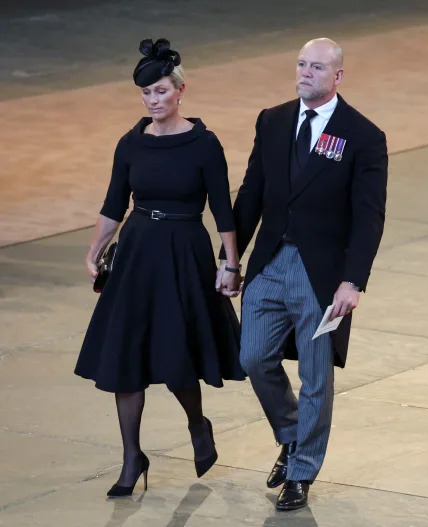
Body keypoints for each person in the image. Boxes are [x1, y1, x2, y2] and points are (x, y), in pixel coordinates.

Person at [218, 37, 387, 511]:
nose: (305, 73)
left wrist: (352, 281)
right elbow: (251, 193)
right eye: (301, 64)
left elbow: (369, 214)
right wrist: (230, 260)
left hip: (322, 275)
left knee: (316, 376)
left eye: (317, 67)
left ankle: (302, 471)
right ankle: (292, 434)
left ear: (337, 77)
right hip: (269, 263)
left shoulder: (363, 136)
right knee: (253, 357)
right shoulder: (272, 121)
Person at [74, 38, 246, 497]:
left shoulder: (204, 145)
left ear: (181, 91)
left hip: (185, 251)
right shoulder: (130, 144)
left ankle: (197, 424)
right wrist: (94, 250)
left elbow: (222, 211)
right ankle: (132, 456)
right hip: (137, 251)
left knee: (176, 355)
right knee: (125, 354)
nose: (153, 100)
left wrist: (231, 264)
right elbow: (114, 204)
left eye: (161, 91)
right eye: (146, 94)